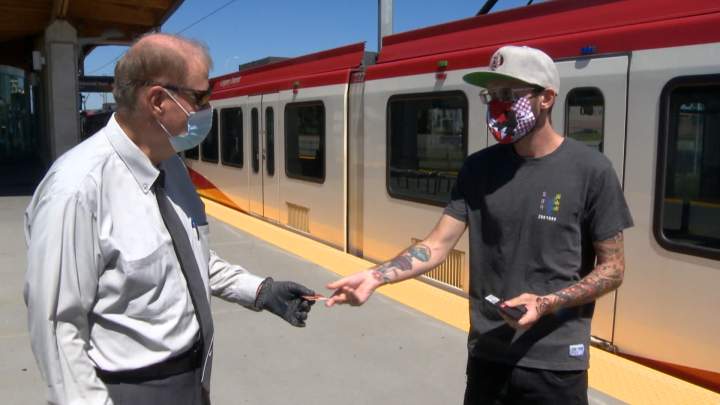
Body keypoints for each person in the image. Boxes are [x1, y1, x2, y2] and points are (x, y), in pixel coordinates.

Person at [325, 45, 633, 404]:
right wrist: (376, 276)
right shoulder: (478, 168)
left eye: (509, 94)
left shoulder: (592, 170)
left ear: (546, 98)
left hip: (555, 362)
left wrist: (546, 302)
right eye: (491, 95)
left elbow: (613, 269)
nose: (497, 105)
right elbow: (436, 245)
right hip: (488, 353)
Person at [24, 33, 315, 405]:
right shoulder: (76, 190)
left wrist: (260, 291)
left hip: (193, 381)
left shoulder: (171, 167)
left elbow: (187, 259)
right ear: (158, 101)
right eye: (200, 96)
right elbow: (57, 328)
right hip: (126, 392)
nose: (208, 107)